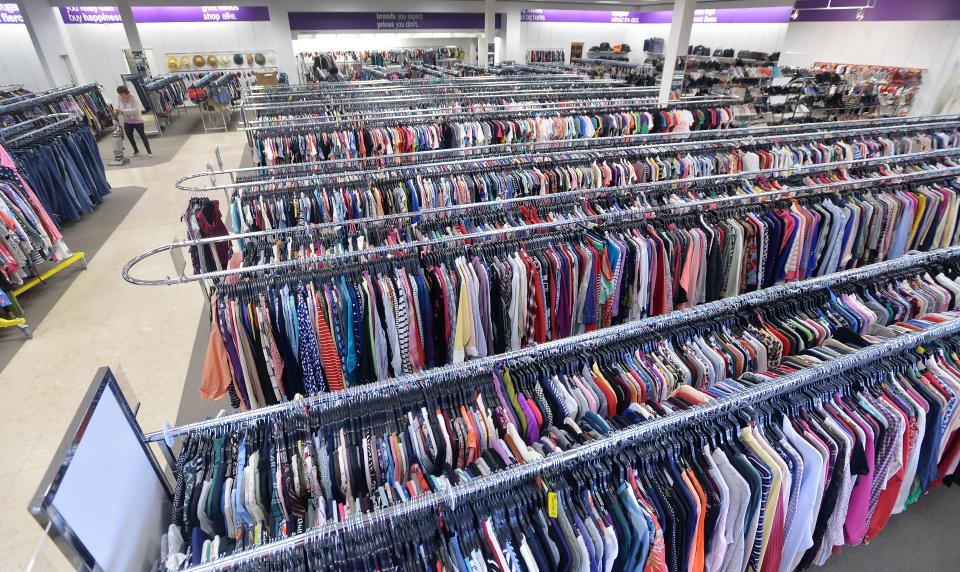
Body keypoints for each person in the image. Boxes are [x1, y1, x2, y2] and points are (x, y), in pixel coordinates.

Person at [115, 85, 152, 157]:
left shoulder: (133, 97)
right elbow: (119, 105)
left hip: (137, 120)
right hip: (127, 121)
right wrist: (118, 110)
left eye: (122, 94)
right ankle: (136, 150)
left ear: (126, 92)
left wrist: (122, 110)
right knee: (129, 136)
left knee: (142, 136)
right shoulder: (120, 97)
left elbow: (135, 110)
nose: (121, 96)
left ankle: (149, 152)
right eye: (120, 94)